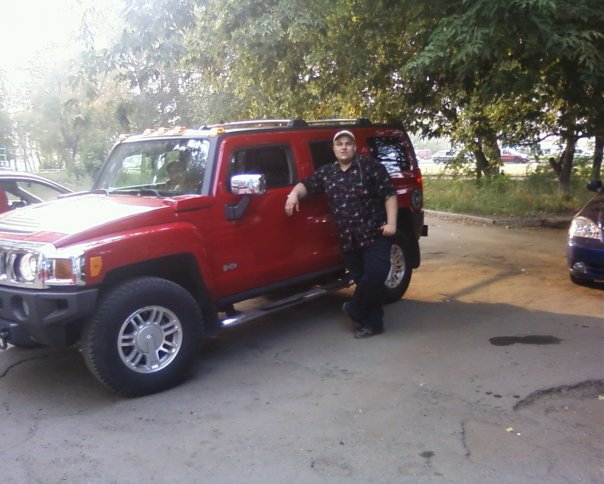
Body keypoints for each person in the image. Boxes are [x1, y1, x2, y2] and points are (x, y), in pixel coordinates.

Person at [285, 130, 398, 338]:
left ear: (354, 147)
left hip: (374, 233)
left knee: (376, 274)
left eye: (347, 143)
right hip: (348, 239)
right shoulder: (327, 172)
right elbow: (307, 185)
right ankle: (372, 324)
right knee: (363, 283)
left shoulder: (370, 167)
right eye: (339, 144)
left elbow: (389, 194)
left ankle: (354, 307)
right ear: (334, 148)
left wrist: (392, 223)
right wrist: (293, 194)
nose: (343, 147)